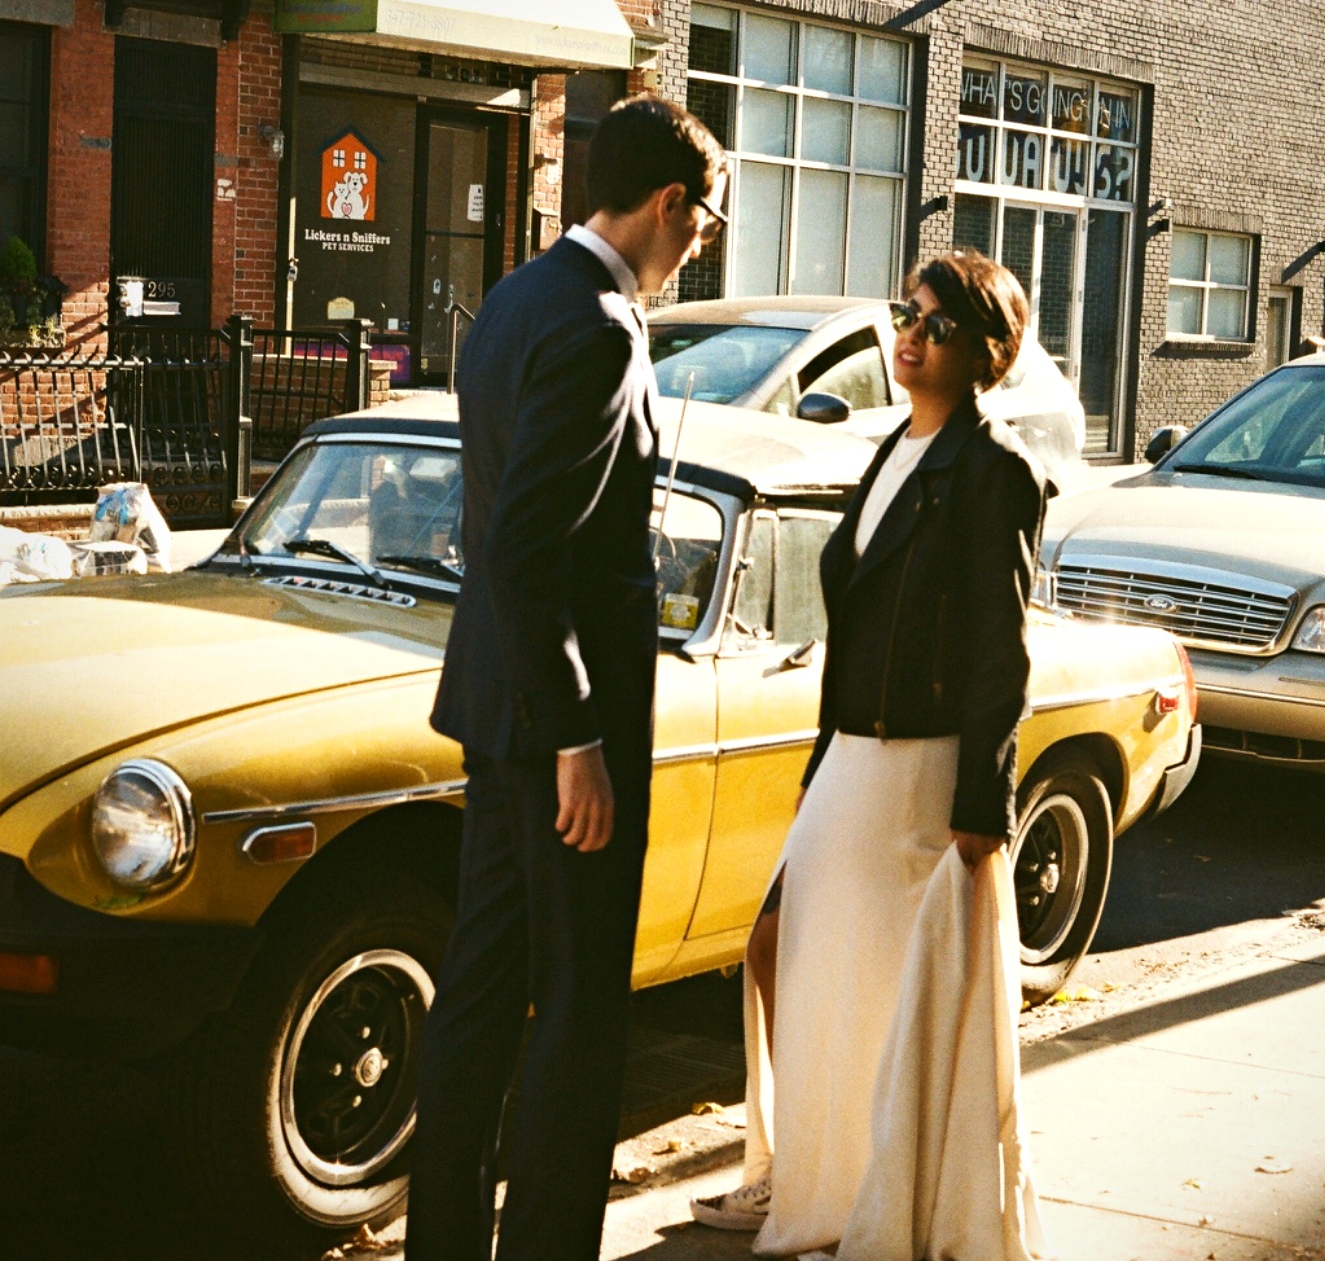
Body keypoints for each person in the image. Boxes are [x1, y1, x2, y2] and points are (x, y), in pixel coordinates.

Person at [410, 95, 725, 1261]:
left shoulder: (509, 299)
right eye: (703, 223)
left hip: (496, 711)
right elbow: (528, 545)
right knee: (579, 1011)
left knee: (481, 999)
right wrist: (578, 738)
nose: (700, 246)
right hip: (560, 734)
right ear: (667, 205)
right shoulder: (599, 323)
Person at [692, 251, 1052, 1259]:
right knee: (796, 963)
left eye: (936, 324)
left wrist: (986, 795)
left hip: (921, 770)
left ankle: (861, 1200)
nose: (911, 334)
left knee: (874, 995)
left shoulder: (995, 471)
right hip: (852, 754)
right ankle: (807, 1175)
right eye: (908, 313)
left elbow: (1001, 644)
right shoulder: (891, 447)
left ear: (985, 352)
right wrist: (818, 763)